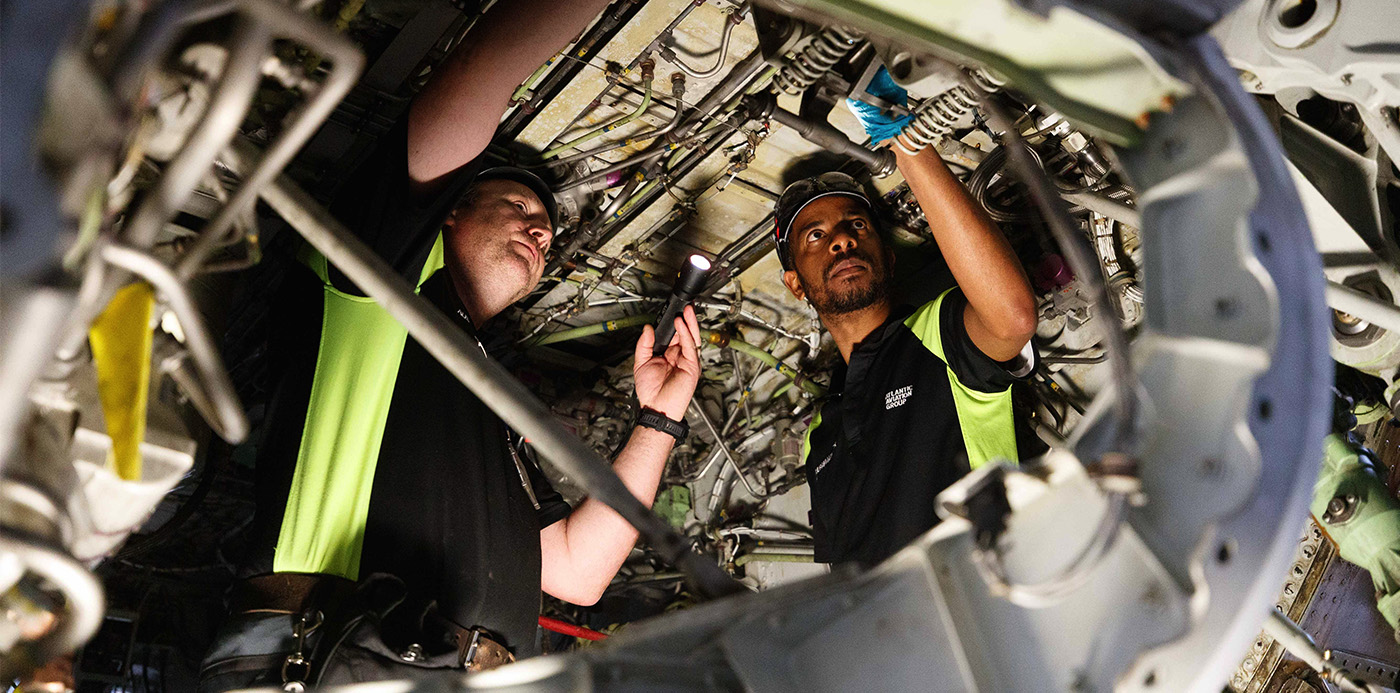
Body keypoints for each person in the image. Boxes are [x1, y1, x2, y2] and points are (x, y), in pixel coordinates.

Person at [199, 0, 702, 688]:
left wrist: (660, 419)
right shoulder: (380, 276)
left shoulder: (487, 402)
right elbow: (482, 69)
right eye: (520, 208)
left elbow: (575, 571)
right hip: (329, 656)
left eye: (548, 232)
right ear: (451, 211)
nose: (542, 231)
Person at [776, 68, 1039, 567]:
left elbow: (1011, 319)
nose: (842, 239)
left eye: (856, 226)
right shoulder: (820, 431)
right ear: (795, 283)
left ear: (888, 257)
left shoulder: (935, 335)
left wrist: (909, 144)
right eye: (815, 235)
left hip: (985, 607)